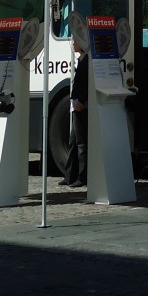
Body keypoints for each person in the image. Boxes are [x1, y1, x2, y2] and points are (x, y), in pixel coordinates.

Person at [58, 36, 90, 187]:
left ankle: (82, 177)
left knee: (81, 143)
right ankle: (69, 175)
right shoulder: (82, 60)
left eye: (75, 41)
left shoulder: (87, 61)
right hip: (75, 104)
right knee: (73, 142)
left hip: (80, 105)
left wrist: (80, 100)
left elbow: (87, 84)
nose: (73, 43)